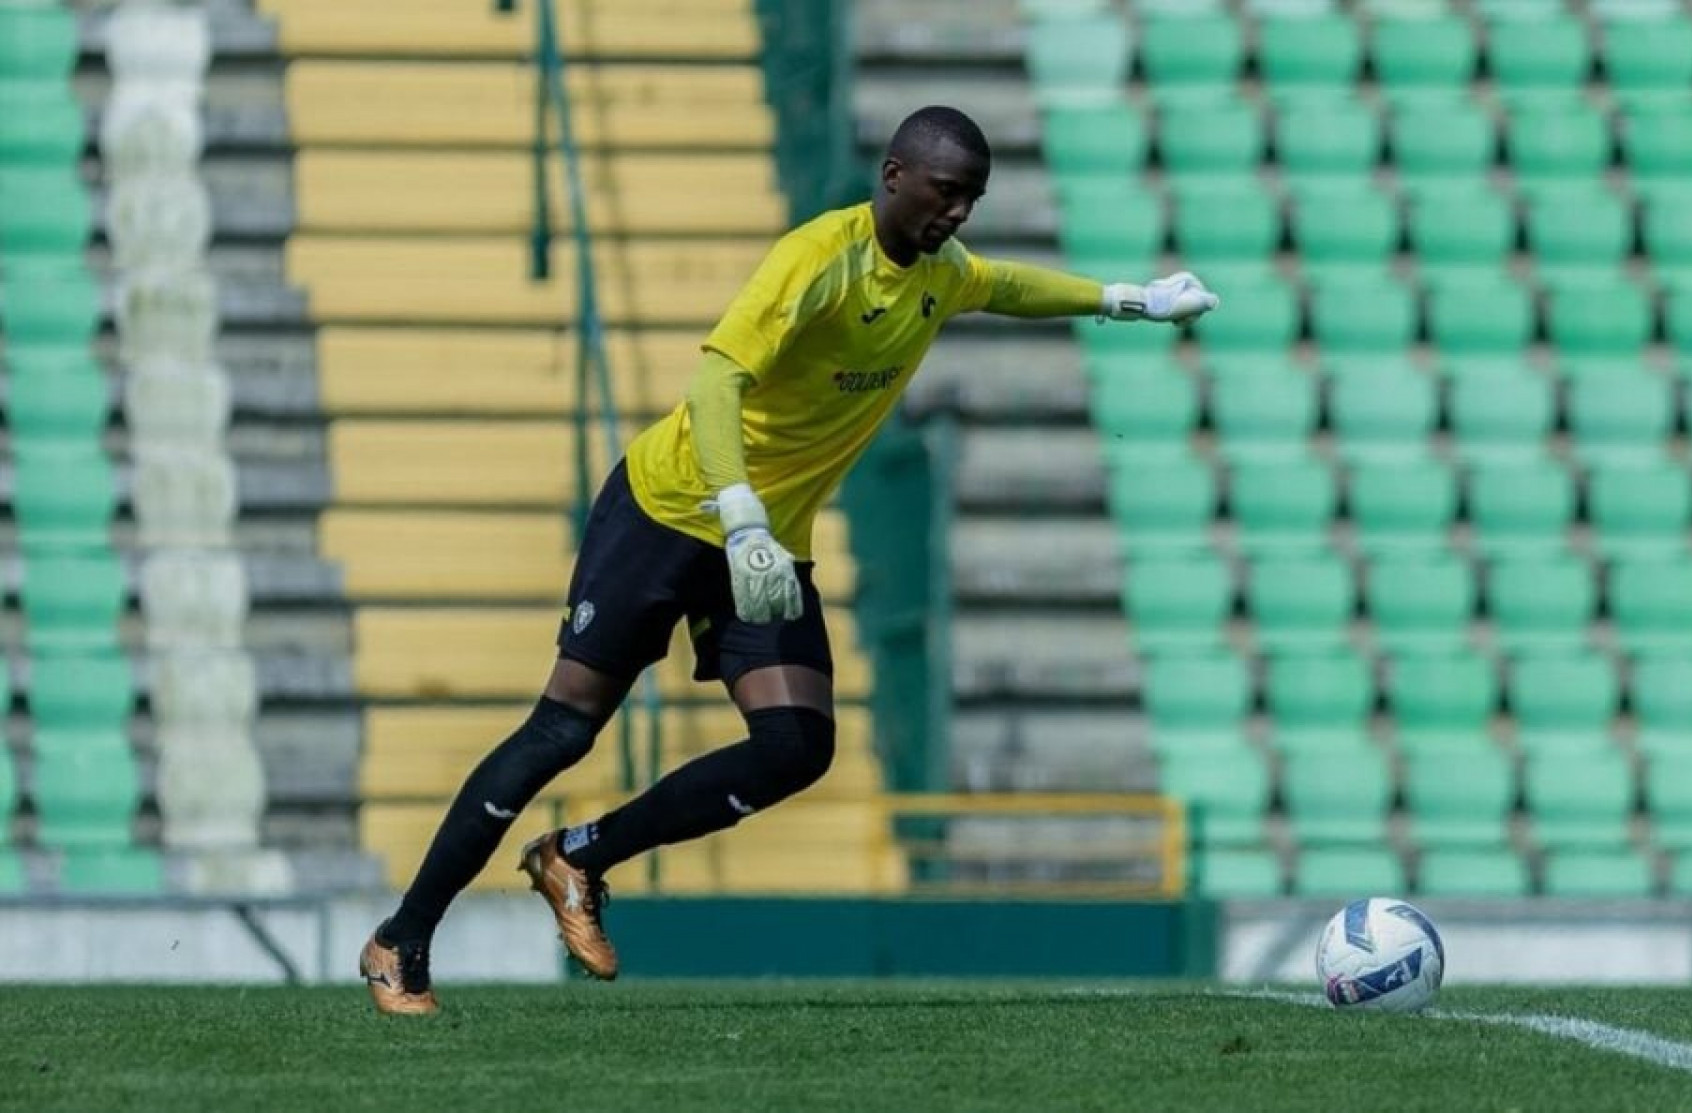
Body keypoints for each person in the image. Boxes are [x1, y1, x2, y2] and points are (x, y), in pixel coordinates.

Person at [358, 105, 1220, 1015]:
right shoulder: (818, 260)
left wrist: (1128, 299)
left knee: (797, 745)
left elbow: (1006, 285)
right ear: (894, 176)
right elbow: (718, 379)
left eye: (972, 198)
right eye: (946, 192)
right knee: (564, 728)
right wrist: (737, 512)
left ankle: (577, 856)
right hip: (673, 509)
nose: (959, 214)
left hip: (765, 542)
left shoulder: (940, 276)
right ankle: (402, 938)